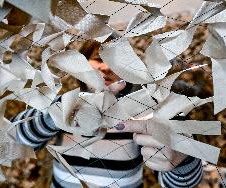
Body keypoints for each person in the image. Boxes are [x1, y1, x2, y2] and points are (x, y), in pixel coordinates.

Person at [12, 40, 203, 188]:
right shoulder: (62, 106)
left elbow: (182, 184)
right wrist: (53, 116)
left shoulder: (145, 115)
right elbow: (10, 145)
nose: (106, 67)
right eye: (99, 59)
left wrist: (184, 159)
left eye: (117, 63)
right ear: (81, 64)